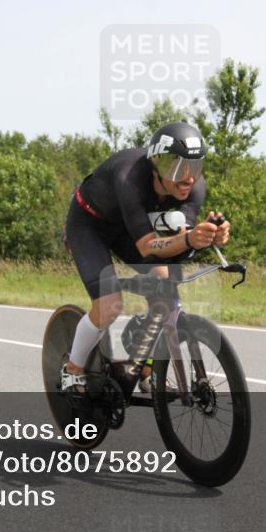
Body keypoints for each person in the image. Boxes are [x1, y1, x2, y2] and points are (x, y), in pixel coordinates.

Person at [61, 121, 230, 393]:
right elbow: (147, 246)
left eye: (195, 167)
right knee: (109, 304)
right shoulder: (130, 177)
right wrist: (188, 239)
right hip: (90, 225)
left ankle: (143, 364)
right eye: (177, 168)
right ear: (157, 166)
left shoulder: (194, 188)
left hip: (128, 228)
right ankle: (73, 369)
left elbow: (179, 239)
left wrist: (208, 237)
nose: (188, 178)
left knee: (164, 283)